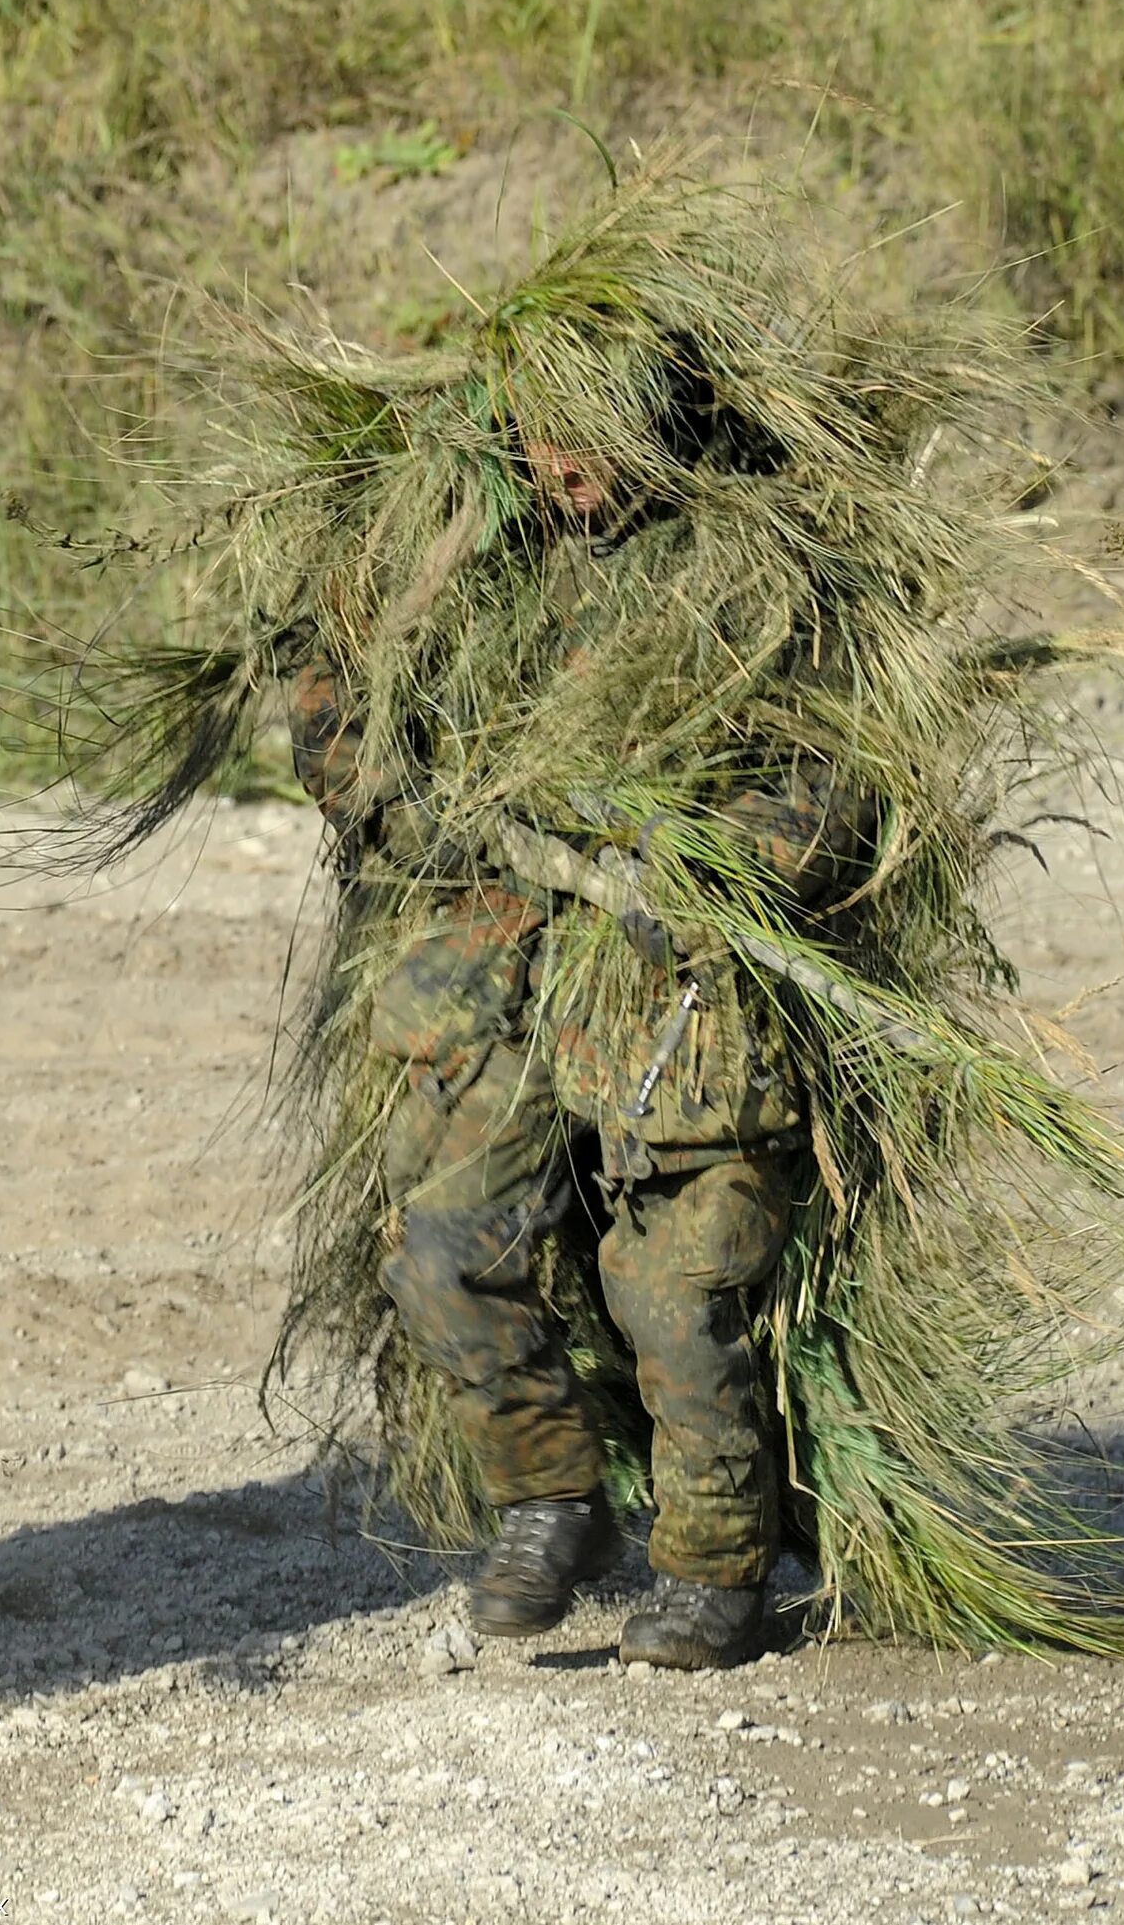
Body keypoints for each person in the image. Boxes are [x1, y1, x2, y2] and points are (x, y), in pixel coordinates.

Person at [289, 421, 873, 1669]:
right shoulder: (471, 572)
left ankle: (717, 1570)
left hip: (676, 981)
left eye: (594, 446)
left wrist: (696, 858)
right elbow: (346, 734)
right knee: (442, 1252)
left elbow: (834, 785)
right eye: (545, 449)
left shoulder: (750, 572)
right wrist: (408, 784)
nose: (570, 476)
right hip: (499, 961)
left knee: (669, 1282)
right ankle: (552, 1499)